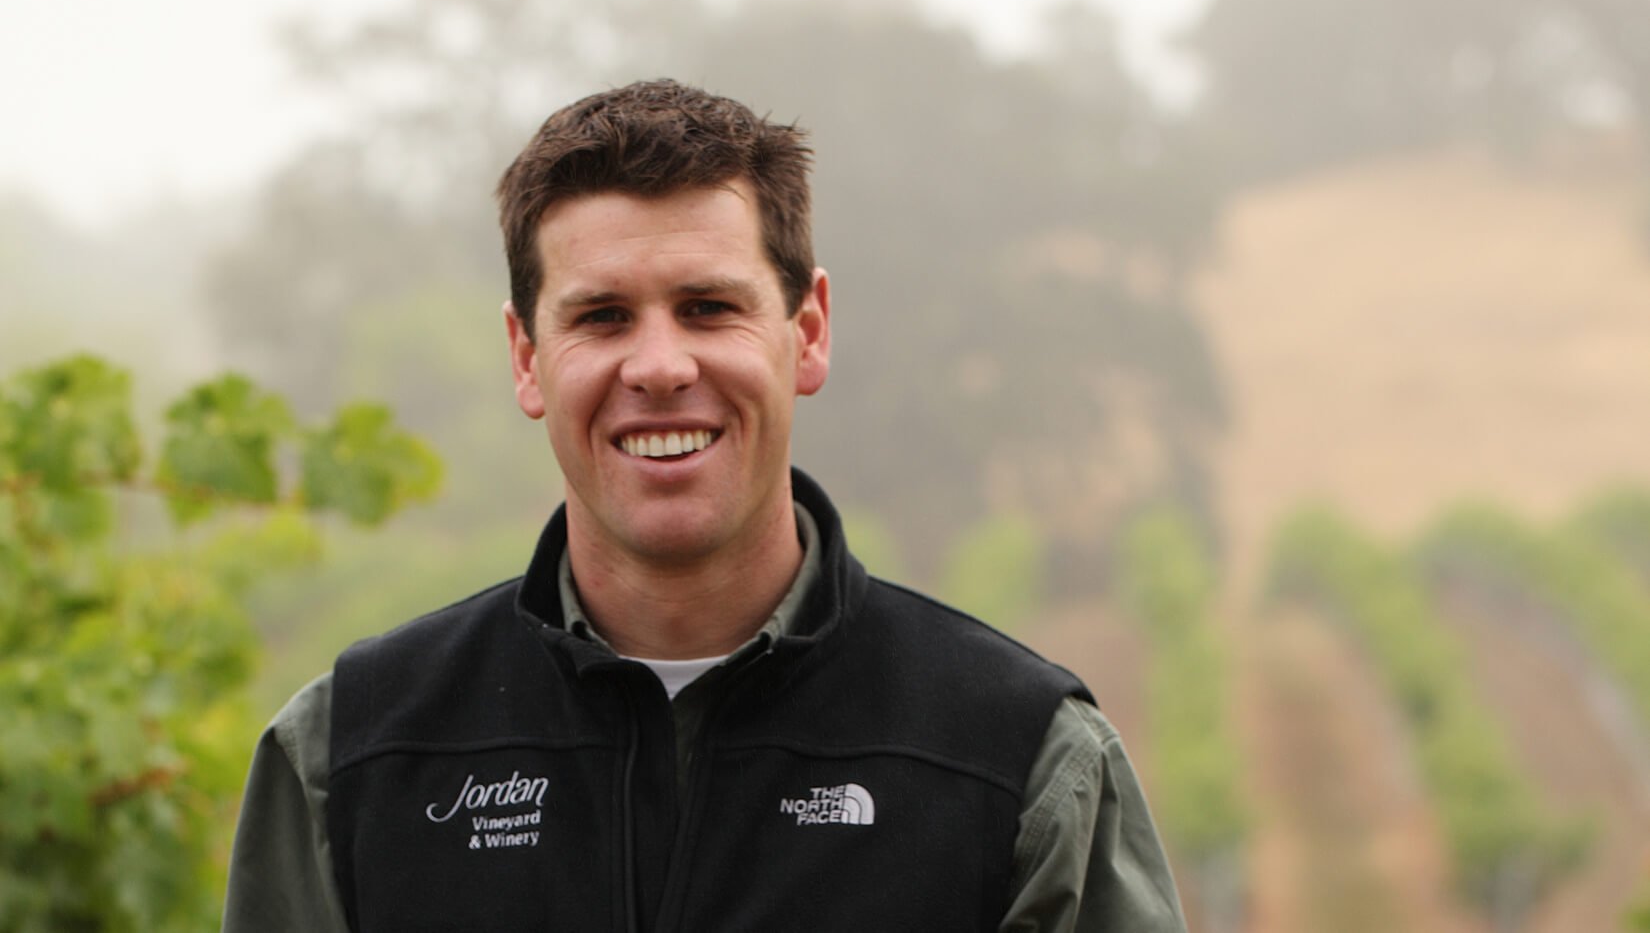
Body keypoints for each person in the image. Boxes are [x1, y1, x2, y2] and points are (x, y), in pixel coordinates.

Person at [222, 79, 1187, 932]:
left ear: (806, 333)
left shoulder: (1021, 764)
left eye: (708, 307)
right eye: (602, 317)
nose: (659, 367)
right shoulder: (344, 762)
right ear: (526, 359)